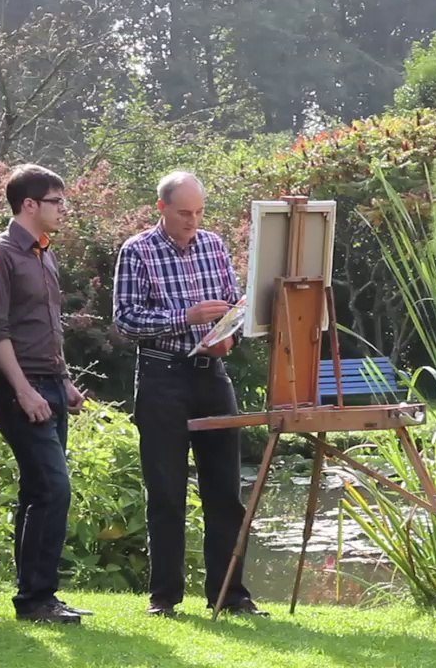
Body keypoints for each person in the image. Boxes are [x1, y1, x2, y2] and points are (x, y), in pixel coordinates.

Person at [113, 170, 266, 618]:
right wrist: (186, 316)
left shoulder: (214, 245)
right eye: (183, 213)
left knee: (226, 490)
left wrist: (228, 338)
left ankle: (230, 596)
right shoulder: (137, 251)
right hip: (161, 376)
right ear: (161, 209)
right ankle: (165, 598)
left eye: (199, 212)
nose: (192, 221)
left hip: (211, 373)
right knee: (165, 491)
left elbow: (235, 305)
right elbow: (125, 320)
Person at [0, 163, 90, 623]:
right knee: (53, 488)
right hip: (16, 389)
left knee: (39, 492)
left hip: (50, 384)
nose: (64, 209)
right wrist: (24, 390)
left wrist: (63, 380)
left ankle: (38, 598)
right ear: (29, 205)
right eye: (56, 201)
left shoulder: (45, 254)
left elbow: (46, 328)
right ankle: (36, 599)